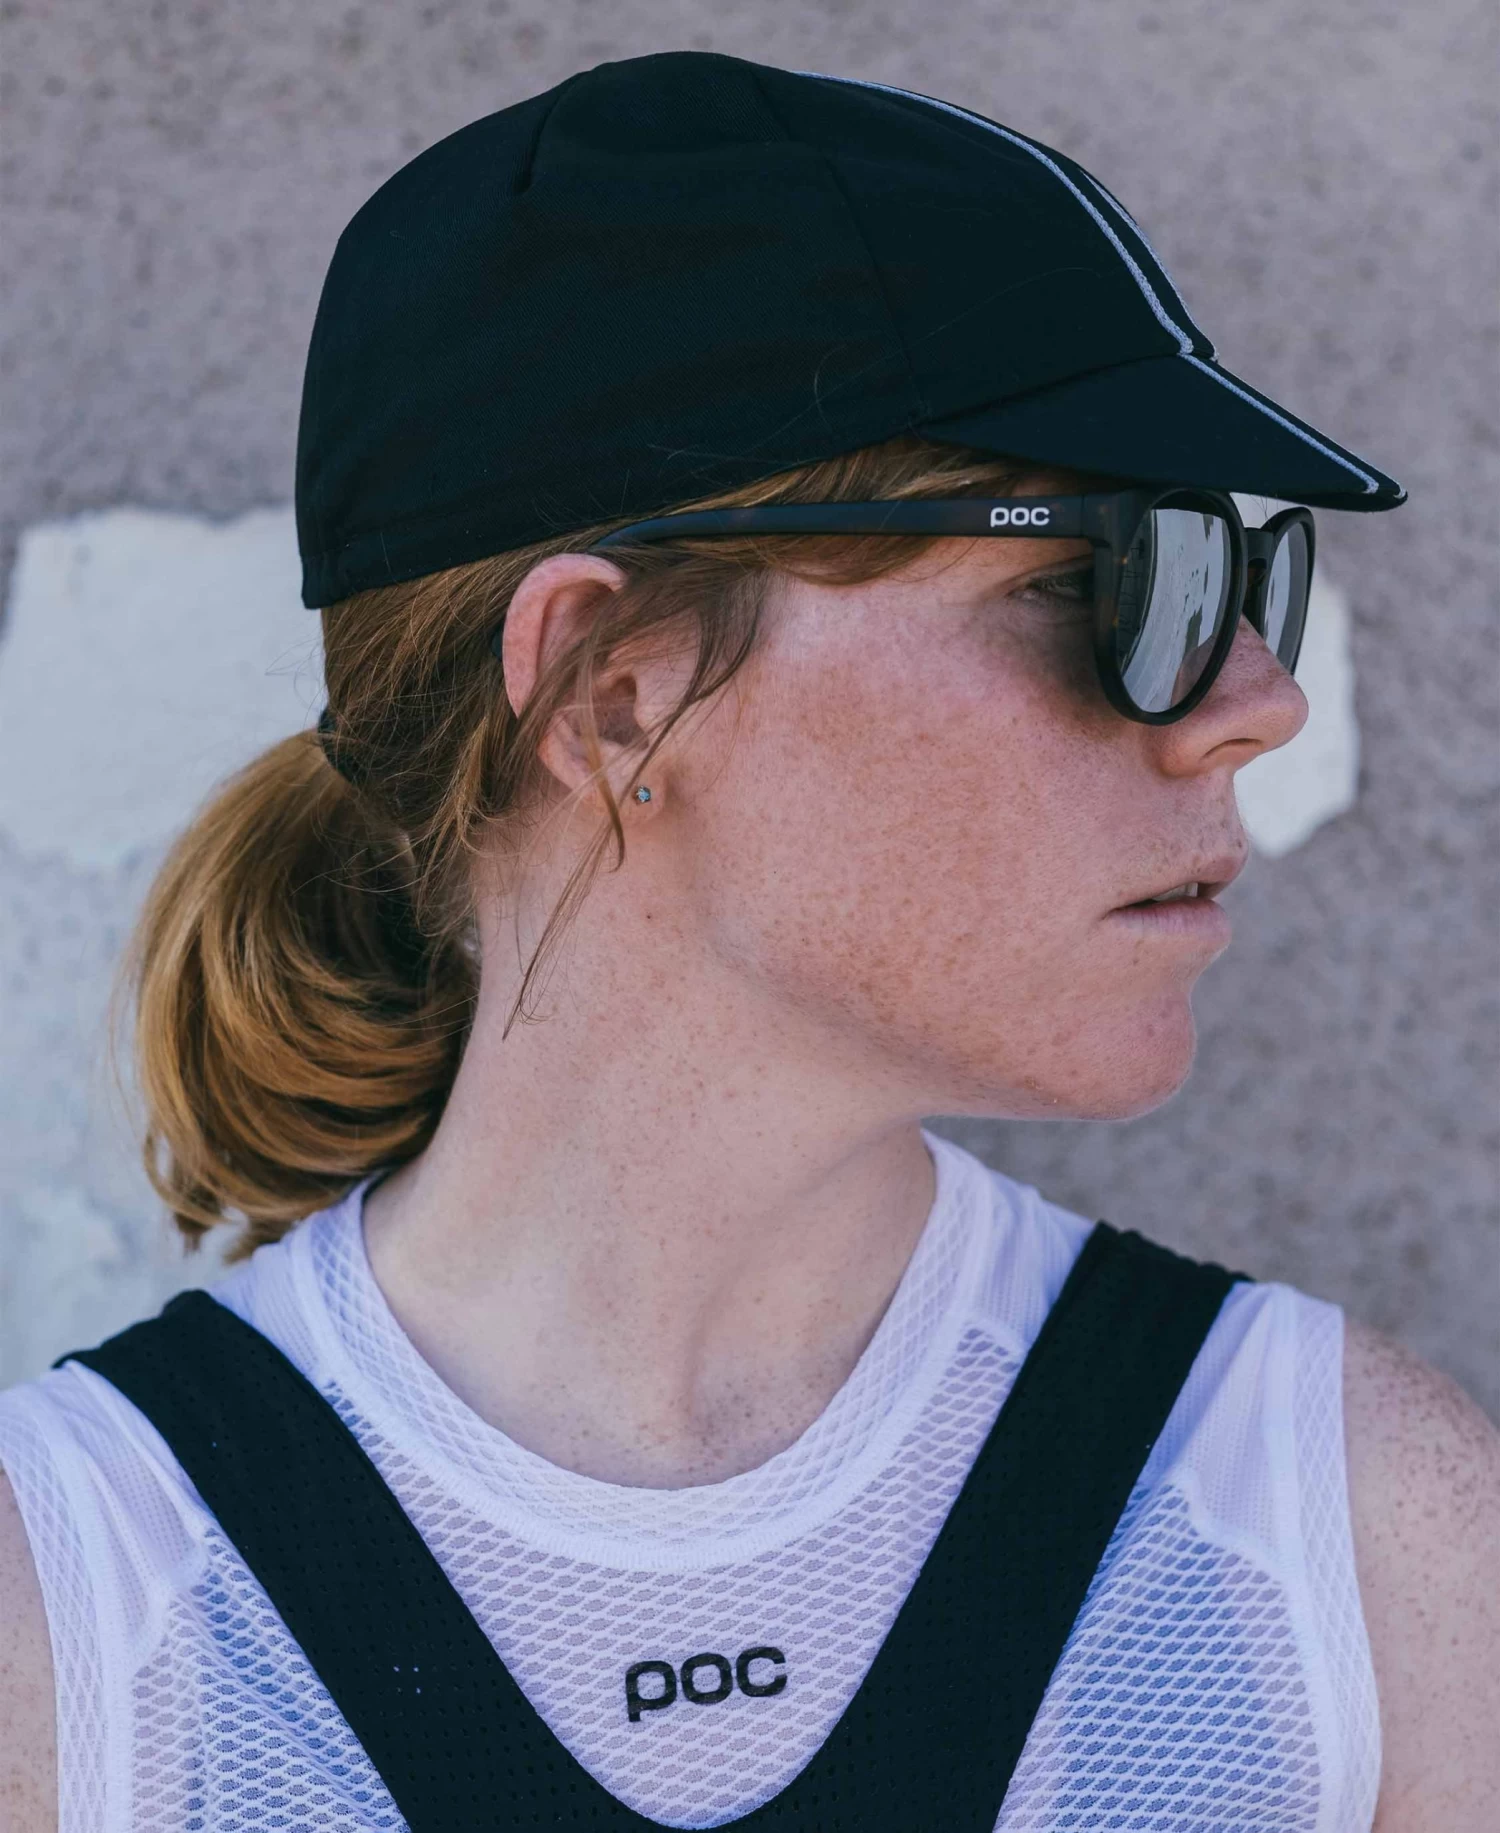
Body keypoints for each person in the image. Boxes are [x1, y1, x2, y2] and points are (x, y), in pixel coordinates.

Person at [1, 50, 1495, 1833]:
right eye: (1099, 578)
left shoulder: (1354, 1533)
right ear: (616, 692)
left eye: (1248, 579)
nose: (1254, 700)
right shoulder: (76, 1620)